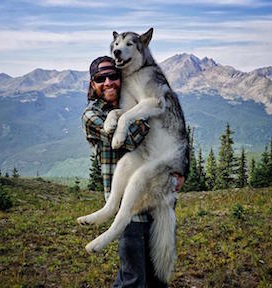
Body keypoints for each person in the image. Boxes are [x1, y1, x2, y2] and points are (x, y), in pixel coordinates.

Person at [81, 56, 184, 288]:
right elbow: (129, 138)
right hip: (130, 212)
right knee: (134, 280)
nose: (108, 82)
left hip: (157, 201)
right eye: (100, 78)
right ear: (92, 84)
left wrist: (180, 170)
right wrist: (146, 111)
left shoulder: (130, 103)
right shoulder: (92, 115)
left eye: (113, 76)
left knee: (157, 278)